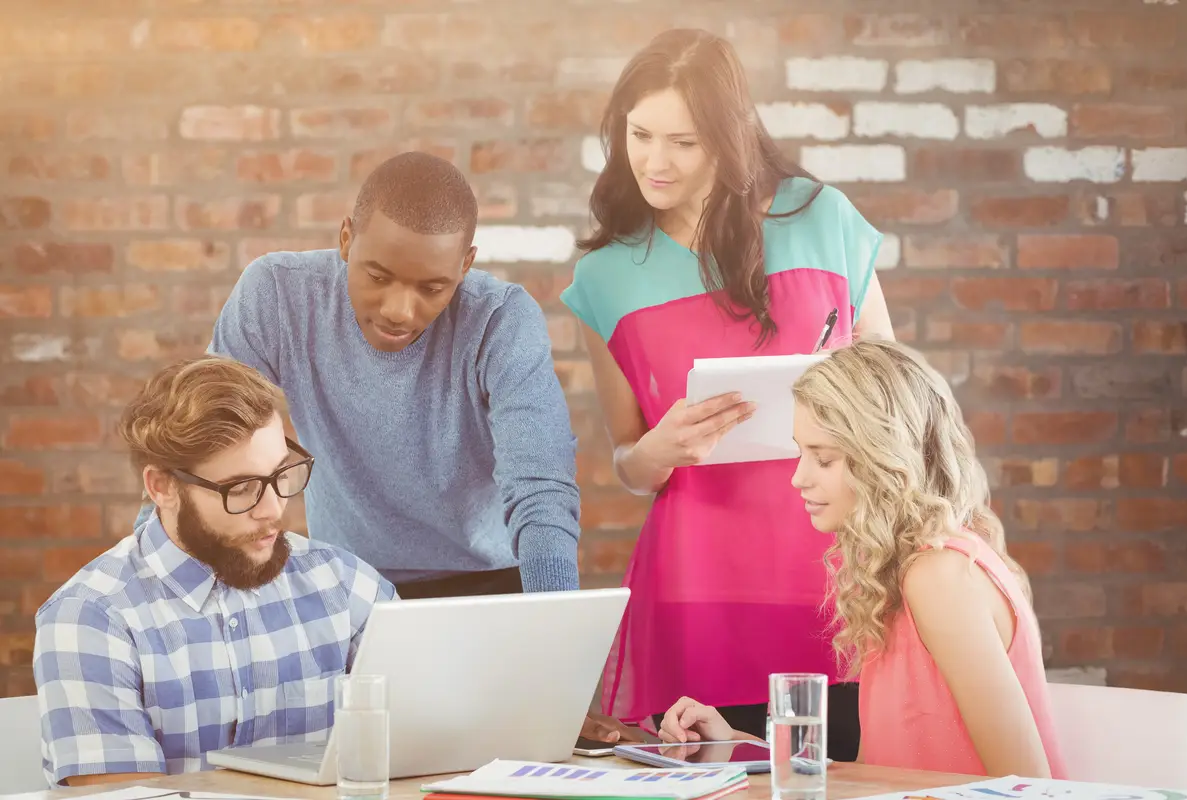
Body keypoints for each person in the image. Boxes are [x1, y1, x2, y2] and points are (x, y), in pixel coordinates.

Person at [560, 29, 894, 757]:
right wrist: (659, 448)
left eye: (683, 141)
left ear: (729, 137)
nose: (654, 160)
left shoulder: (821, 218)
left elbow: (896, 397)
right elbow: (627, 461)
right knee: (713, 774)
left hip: (838, 570)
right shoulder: (605, 278)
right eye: (640, 134)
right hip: (700, 581)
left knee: (858, 771)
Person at [150, 151, 581, 597]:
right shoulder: (277, 296)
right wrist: (149, 588)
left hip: (489, 581)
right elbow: (197, 439)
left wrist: (555, 624)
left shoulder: (500, 321)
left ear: (465, 265)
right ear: (346, 238)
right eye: (377, 276)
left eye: (432, 288)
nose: (398, 311)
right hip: (346, 581)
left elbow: (541, 488)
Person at [655, 340, 1068, 778]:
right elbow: (872, 774)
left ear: (883, 458)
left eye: (824, 458)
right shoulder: (895, 573)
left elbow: (1029, 784)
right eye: (801, 452)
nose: (798, 478)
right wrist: (735, 744)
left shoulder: (939, 576)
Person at [34, 356, 397, 787]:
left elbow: (429, 752)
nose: (273, 509)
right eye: (241, 489)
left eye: (281, 474)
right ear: (162, 487)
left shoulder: (346, 584)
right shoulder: (92, 619)